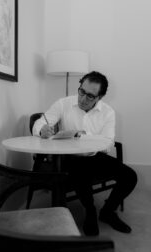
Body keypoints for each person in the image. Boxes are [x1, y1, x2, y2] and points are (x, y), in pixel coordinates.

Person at [33, 71, 137, 236]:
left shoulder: (108, 112)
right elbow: (40, 122)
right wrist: (42, 129)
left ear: (99, 97)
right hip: (69, 157)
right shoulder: (64, 103)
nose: (82, 99)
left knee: (130, 176)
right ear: (80, 86)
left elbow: (108, 142)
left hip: (94, 155)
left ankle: (108, 211)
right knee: (82, 172)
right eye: (81, 91)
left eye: (90, 96)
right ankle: (90, 211)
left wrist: (84, 138)